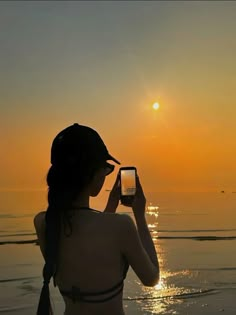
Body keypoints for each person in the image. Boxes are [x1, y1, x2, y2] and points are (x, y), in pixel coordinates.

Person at [34, 123, 159, 315]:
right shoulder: (121, 226)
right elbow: (151, 278)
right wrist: (140, 216)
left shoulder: (45, 223)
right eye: (105, 168)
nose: (105, 174)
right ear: (91, 172)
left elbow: (88, 243)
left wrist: (110, 207)